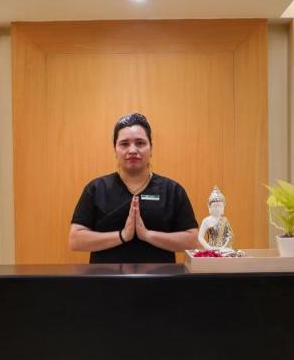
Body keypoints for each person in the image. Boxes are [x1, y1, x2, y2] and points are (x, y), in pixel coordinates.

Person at [69, 113, 199, 263]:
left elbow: (192, 241)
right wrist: (122, 235)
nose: (132, 150)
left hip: (160, 278)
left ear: (151, 148)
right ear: (115, 149)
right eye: (124, 144)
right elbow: (75, 240)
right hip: (105, 277)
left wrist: (147, 235)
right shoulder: (96, 189)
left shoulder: (172, 191)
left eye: (140, 143)